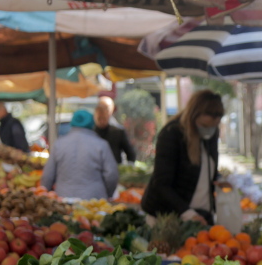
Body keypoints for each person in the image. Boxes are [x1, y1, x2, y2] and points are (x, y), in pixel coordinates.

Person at [142, 90, 225, 224]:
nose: (209, 130)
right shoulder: (172, 134)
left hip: (201, 214)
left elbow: (206, 168)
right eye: (204, 126)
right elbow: (161, 183)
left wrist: (219, 179)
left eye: (214, 126)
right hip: (168, 217)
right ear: (194, 115)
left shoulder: (211, 134)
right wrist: (188, 213)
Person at [39, 109, 117, 200]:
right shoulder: (101, 145)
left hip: (63, 197)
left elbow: (48, 175)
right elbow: (111, 174)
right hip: (94, 199)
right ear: (92, 123)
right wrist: (109, 193)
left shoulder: (59, 144)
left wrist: (45, 192)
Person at [93, 96, 136, 164]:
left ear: (109, 113)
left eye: (103, 118)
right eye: (99, 118)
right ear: (95, 115)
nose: (101, 121)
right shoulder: (90, 133)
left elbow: (131, 154)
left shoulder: (118, 132)